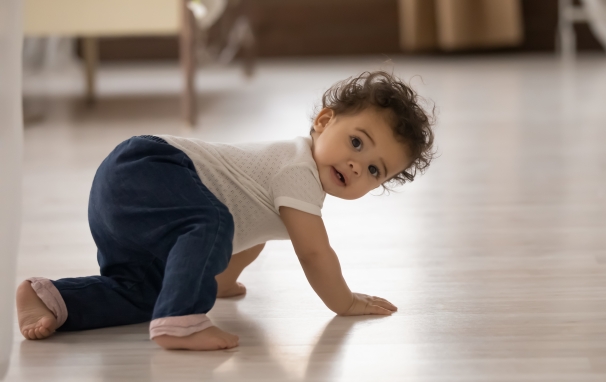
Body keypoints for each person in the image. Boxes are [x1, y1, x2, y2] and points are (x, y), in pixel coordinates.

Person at [15, 71, 436, 351]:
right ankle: (182, 320)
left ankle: (51, 298)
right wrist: (344, 302)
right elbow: (314, 253)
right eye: (357, 143)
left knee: (145, 292)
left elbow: (253, 236)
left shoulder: (285, 187)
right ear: (324, 122)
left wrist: (225, 279)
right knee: (212, 221)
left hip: (125, 202)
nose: (355, 165)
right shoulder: (298, 169)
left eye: (374, 170)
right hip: (147, 167)